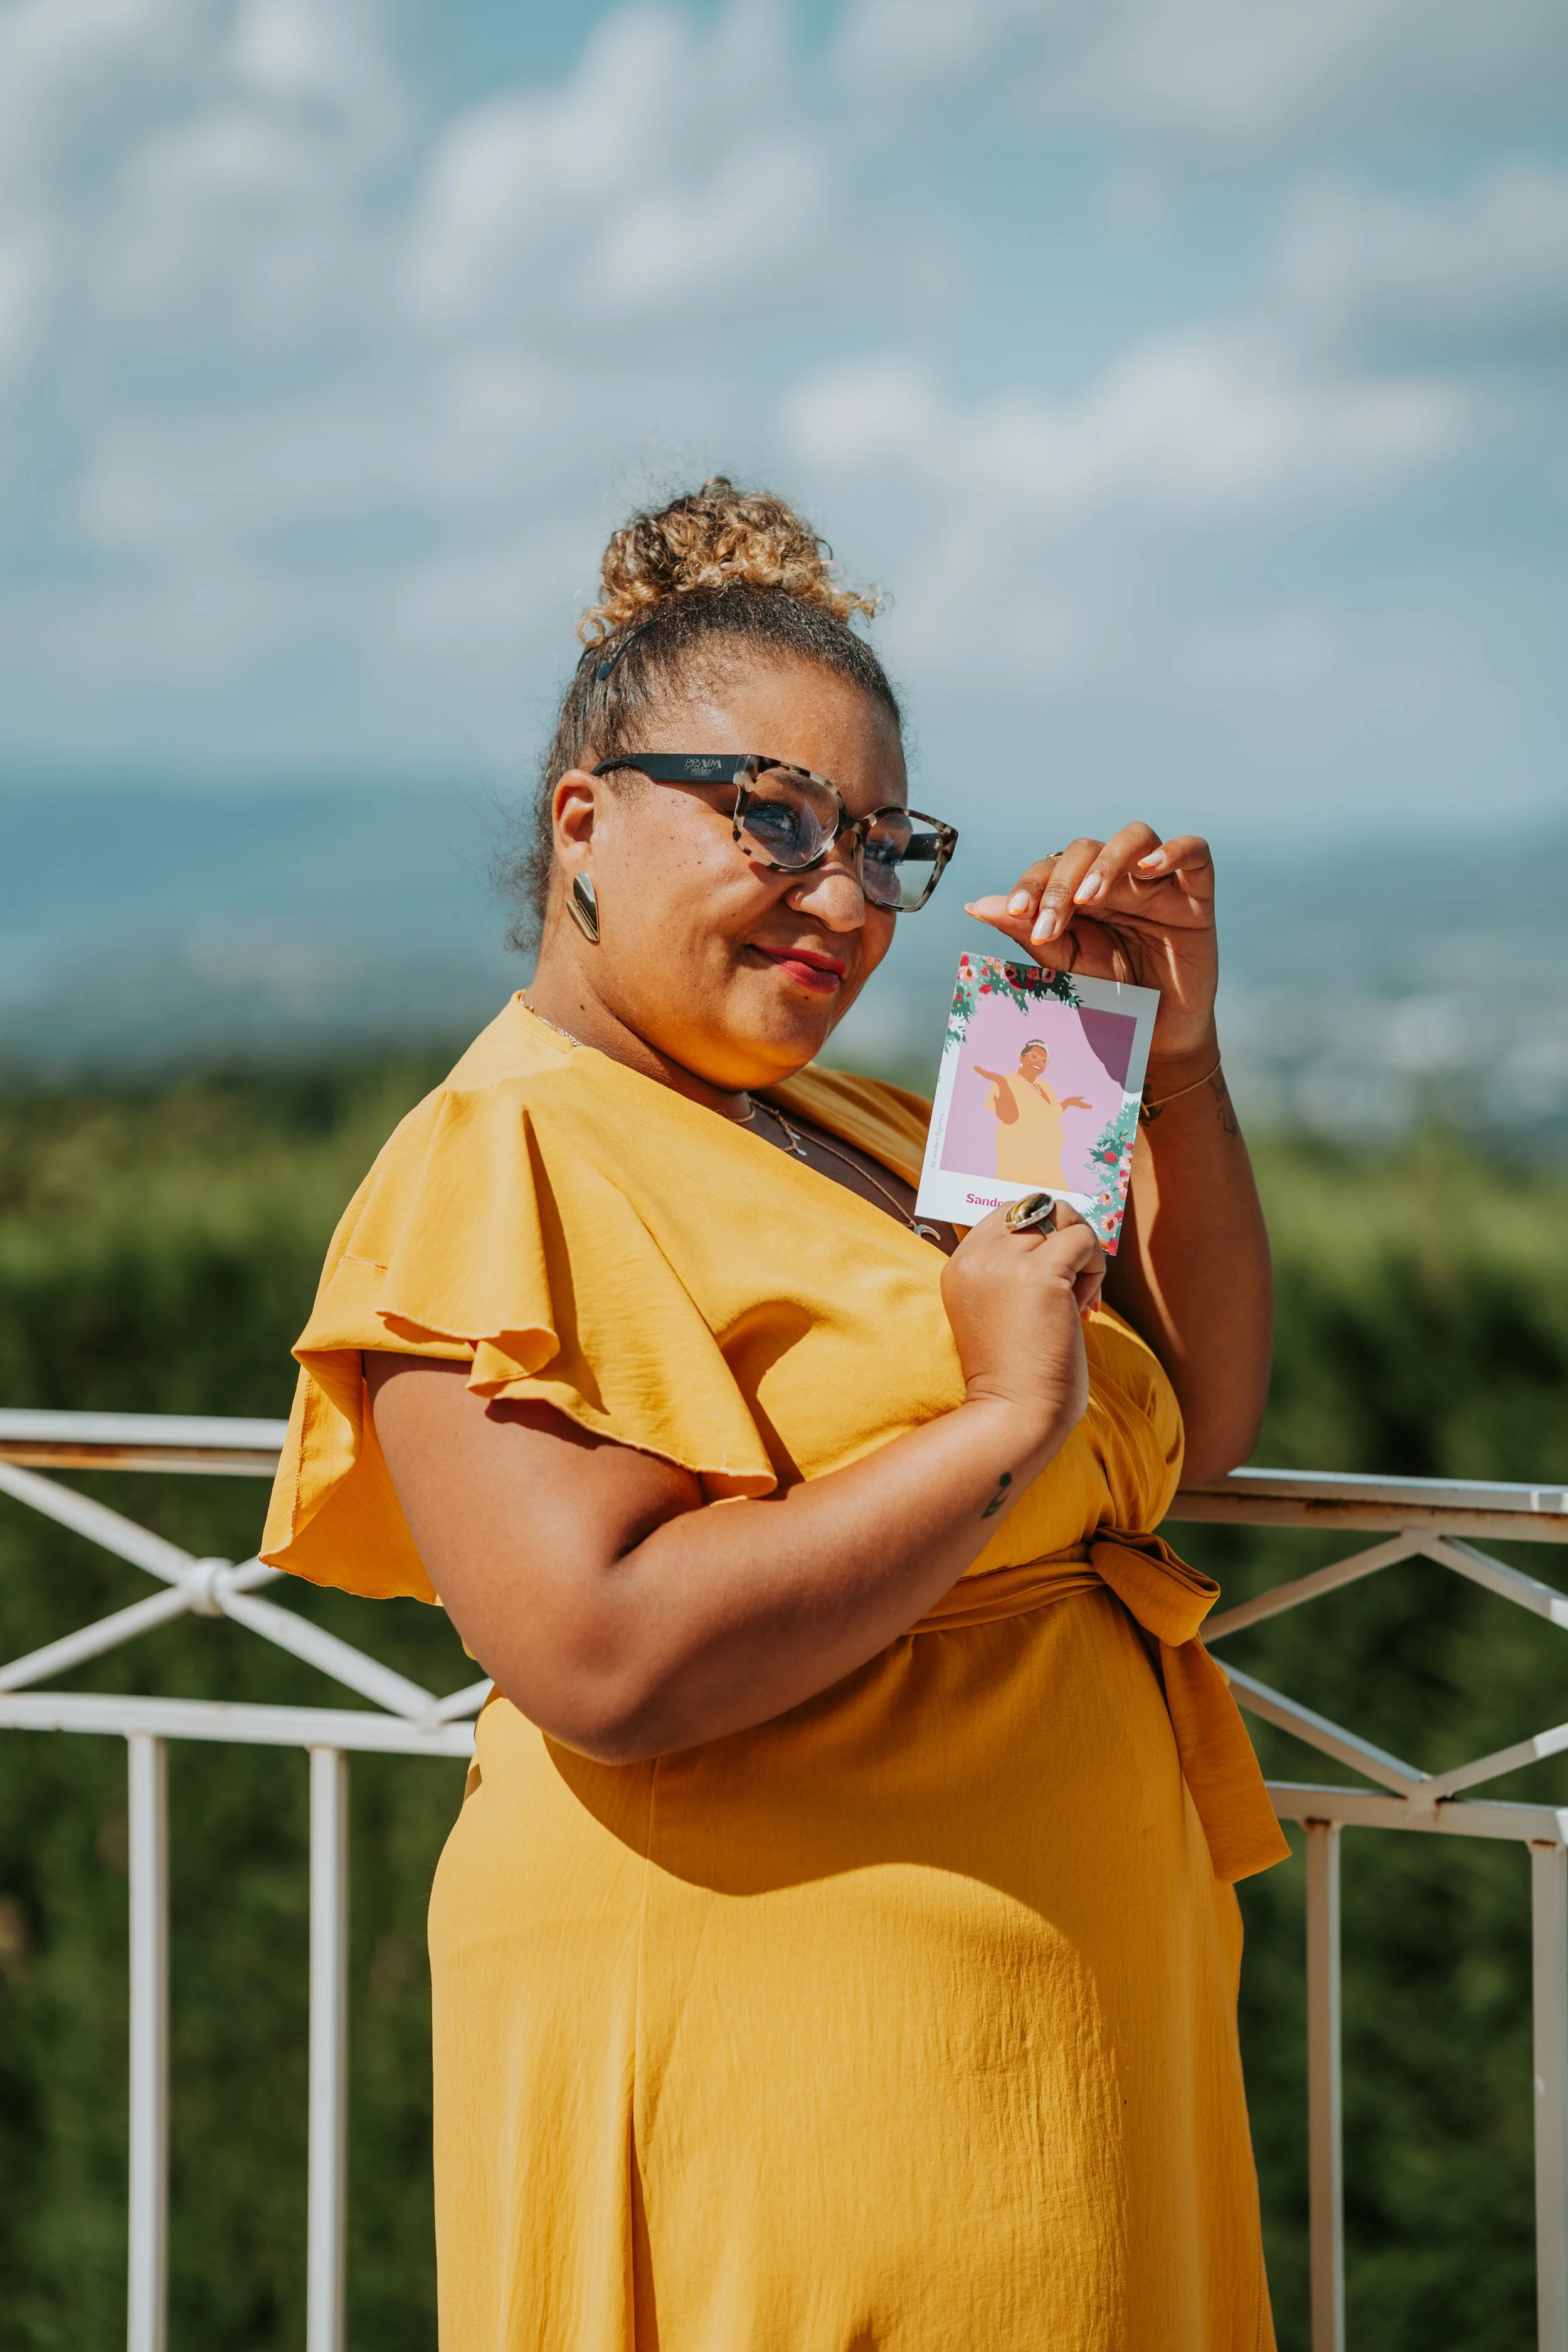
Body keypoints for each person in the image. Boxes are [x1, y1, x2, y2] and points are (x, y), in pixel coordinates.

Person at [262, 477, 1285, 2351]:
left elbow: (1184, 1420)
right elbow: (601, 1650)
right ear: (584, 820)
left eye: (883, 845)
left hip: (1059, 2031)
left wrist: (1172, 1058)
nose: (843, 897)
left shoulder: (870, 1123)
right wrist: (994, 1417)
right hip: (790, 2056)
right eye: (778, 819)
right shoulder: (496, 1151)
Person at [973, 1037, 1093, 1187]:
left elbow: (1051, 1114)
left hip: (1047, 1154)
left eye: (1044, 1061)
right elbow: (1009, 1118)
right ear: (1022, 1057)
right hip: (1020, 1151)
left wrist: (1068, 1102)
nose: (1039, 1063)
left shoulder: (1044, 1086)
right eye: (1034, 1057)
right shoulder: (1008, 1081)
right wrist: (1001, 1083)